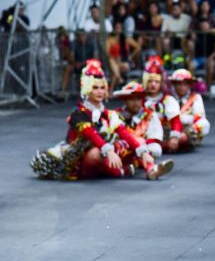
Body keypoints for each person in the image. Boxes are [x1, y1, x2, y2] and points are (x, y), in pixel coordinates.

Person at [31, 60, 172, 180]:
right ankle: (123, 170)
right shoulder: (78, 113)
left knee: (138, 140)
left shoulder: (108, 114)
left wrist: (143, 151)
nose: (99, 91)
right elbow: (92, 135)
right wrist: (109, 151)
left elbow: (123, 132)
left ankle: (151, 169)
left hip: (104, 152)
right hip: (81, 160)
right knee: (95, 154)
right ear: (87, 88)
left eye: (102, 87)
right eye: (95, 87)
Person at [113, 81, 168, 161]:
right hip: (125, 146)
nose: (135, 103)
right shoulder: (116, 114)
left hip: (144, 146)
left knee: (156, 148)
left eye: (138, 99)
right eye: (131, 99)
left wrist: (143, 143)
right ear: (125, 100)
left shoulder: (150, 115)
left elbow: (155, 135)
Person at [142, 56, 184, 154]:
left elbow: (176, 120)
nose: (153, 85)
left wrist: (174, 137)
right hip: (144, 133)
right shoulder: (139, 100)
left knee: (183, 138)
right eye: (150, 81)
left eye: (156, 82)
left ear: (161, 83)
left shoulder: (168, 100)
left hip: (164, 134)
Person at [170, 68, 210, 150]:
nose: (182, 87)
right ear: (174, 84)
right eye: (179, 84)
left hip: (188, 128)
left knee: (204, 123)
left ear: (189, 85)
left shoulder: (195, 97)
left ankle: (187, 139)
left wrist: (185, 119)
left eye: (185, 84)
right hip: (171, 128)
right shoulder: (169, 98)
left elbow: (199, 115)